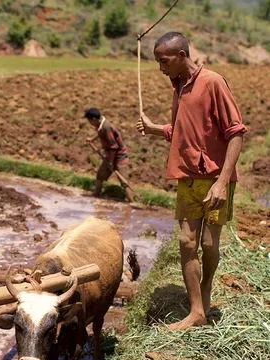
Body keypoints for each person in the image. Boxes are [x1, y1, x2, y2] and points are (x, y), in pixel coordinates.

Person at [136, 31, 246, 331]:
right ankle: (197, 311)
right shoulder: (179, 86)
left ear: (182, 56)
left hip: (214, 179)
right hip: (187, 178)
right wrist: (156, 129)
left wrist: (222, 182)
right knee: (187, 242)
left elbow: (235, 132)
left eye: (164, 61)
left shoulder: (213, 82)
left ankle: (206, 289)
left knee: (209, 245)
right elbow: (188, 130)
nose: (161, 68)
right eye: (157, 62)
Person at [84, 108, 133, 201]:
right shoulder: (101, 124)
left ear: (94, 119)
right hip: (110, 154)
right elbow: (100, 133)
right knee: (100, 174)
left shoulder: (106, 127)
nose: (89, 123)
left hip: (119, 156)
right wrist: (92, 139)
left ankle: (132, 201)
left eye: (89, 120)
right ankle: (96, 194)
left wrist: (110, 162)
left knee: (123, 180)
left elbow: (113, 147)